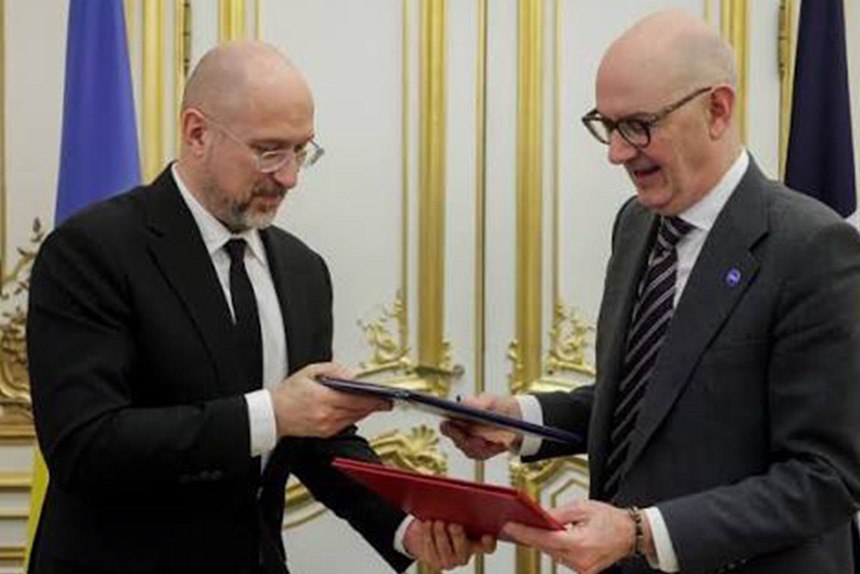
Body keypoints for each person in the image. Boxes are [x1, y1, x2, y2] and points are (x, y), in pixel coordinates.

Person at [27, 41, 493, 574]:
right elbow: (85, 445)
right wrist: (274, 413)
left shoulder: (302, 269)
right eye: (269, 151)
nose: (290, 176)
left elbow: (315, 439)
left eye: (301, 151)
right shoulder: (92, 250)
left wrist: (405, 528)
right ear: (196, 133)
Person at [442, 9, 860, 574]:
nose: (616, 152)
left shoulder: (813, 247)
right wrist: (520, 419)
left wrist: (642, 532)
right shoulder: (636, 223)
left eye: (638, 125)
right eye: (607, 125)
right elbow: (652, 402)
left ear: (717, 110)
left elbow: (827, 477)